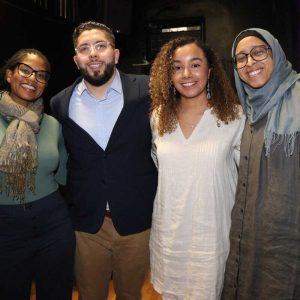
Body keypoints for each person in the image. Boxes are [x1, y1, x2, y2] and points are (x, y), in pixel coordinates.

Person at [50, 21, 157, 300]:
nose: (93, 54)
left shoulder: (148, 91)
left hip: (136, 222)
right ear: (76, 60)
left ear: (116, 54)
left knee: (131, 295)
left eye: (101, 46)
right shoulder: (60, 103)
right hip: (87, 226)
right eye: (85, 49)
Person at [149, 36, 245, 300]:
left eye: (195, 64)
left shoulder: (234, 118)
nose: (186, 74)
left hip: (212, 238)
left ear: (209, 70)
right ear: (169, 75)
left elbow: (246, 181)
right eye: (177, 67)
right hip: (170, 237)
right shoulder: (158, 118)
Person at [222, 28, 300, 300]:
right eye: (241, 58)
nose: (250, 63)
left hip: (288, 243)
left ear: (275, 53)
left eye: (258, 52)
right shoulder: (246, 112)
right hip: (250, 240)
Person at [0, 49, 75, 300]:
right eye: (25, 70)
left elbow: (65, 174)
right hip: (5, 228)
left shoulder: (53, 125)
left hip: (53, 222)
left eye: (41, 75)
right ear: (9, 74)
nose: (33, 79)